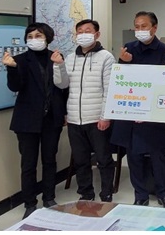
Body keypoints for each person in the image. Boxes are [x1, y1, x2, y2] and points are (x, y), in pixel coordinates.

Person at [110, 11, 165, 208]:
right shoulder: (128, 48)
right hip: (131, 113)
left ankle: (163, 194)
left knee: (159, 157)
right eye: (137, 26)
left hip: (154, 114)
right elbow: (121, 81)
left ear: (154, 28)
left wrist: (148, 110)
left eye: (144, 26)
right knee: (134, 157)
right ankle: (140, 195)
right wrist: (123, 62)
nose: (139, 30)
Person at [2, 22, 67, 219]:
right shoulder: (19, 60)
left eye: (38, 36)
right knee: (28, 164)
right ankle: (30, 203)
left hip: (51, 119)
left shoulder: (56, 57)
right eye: (30, 36)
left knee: (50, 160)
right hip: (27, 120)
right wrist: (12, 69)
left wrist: (63, 113)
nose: (33, 39)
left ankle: (49, 198)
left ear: (47, 37)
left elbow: (63, 88)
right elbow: (15, 87)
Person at [52, 19, 116, 203]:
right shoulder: (70, 57)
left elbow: (109, 89)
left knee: (103, 158)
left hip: (97, 118)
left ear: (97, 34)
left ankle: (106, 192)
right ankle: (86, 193)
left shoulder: (106, 57)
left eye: (87, 31)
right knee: (80, 160)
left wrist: (105, 116)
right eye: (79, 31)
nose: (83, 34)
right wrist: (58, 66)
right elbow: (62, 84)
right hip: (74, 118)